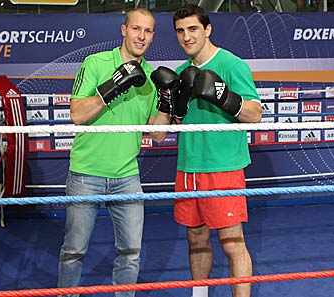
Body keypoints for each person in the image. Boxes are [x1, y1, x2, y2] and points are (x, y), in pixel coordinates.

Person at [58, 8, 171, 297]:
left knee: (131, 251)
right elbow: (76, 114)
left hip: (127, 175)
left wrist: (171, 104)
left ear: (153, 36)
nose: (141, 36)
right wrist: (111, 86)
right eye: (136, 29)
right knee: (74, 250)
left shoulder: (150, 78)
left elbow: (157, 134)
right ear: (124, 30)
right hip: (86, 173)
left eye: (147, 31)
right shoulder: (96, 63)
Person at [171, 4, 262, 297]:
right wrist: (175, 106)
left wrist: (224, 97)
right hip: (188, 167)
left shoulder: (232, 64)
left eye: (193, 29)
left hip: (222, 167)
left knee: (232, 242)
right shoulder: (181, 72)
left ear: (207, 29)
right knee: (196, 239)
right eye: (181, 31)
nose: (187, 37)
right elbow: (175, 122)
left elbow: (255, 113)